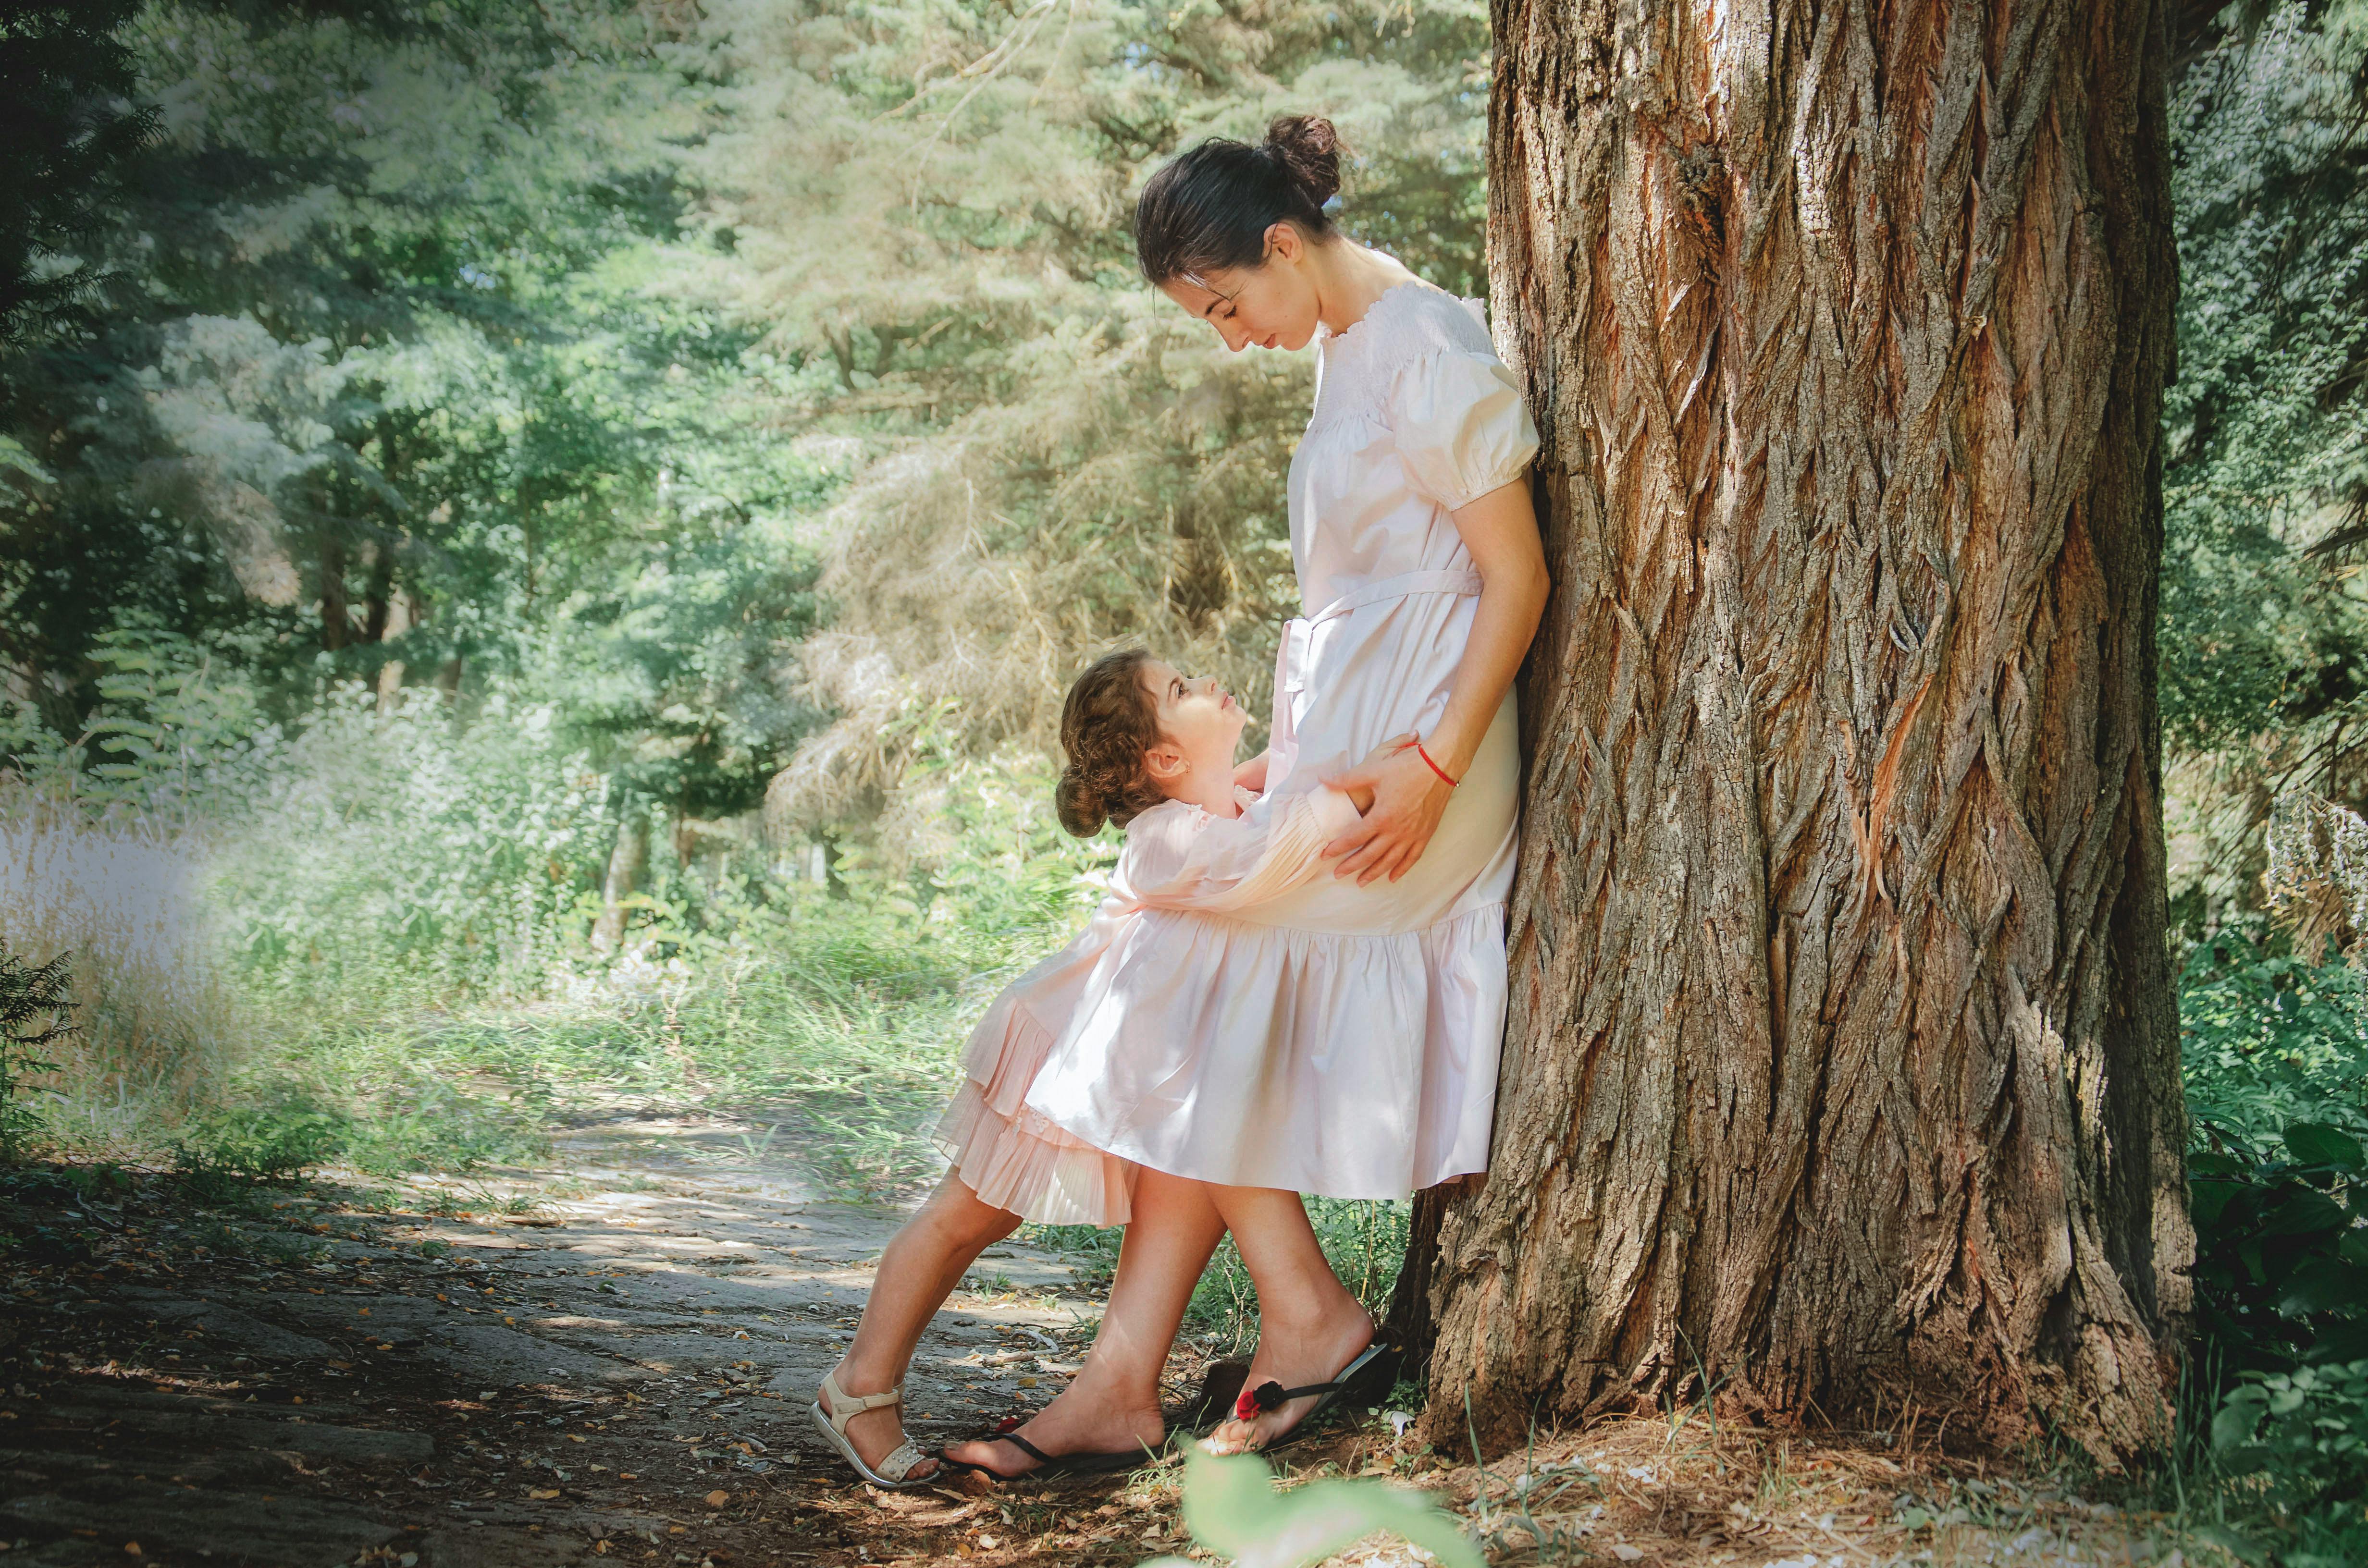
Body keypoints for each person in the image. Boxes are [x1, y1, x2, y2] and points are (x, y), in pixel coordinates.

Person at [1012, 110, 1547, 1458]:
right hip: (1348, 763)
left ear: (1282, 246)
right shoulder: (1348, 343)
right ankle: (1127, 1382)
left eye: (1225, 302)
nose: (1230, 335)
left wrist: (1428, 767)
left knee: (1181, 988)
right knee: (1176, 974)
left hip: (1428, 770)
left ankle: (1294, 1322)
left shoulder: (1426, 347)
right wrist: (1264, 773)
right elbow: (1359, 598)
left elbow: (1516, 581)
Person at [811, 648, 1386, 1486]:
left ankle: (1118, 1396)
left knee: (1162, 1173)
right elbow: (1284, 840)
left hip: (1116, 1062)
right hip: (1056, 1052)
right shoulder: (1169, 838)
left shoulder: (1216, 800)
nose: (1206, 680)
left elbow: (1271, 787)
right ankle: (858, 1387)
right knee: (965, 1220)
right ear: (1162, 759)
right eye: (1181, 690)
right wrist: (1398, 777)